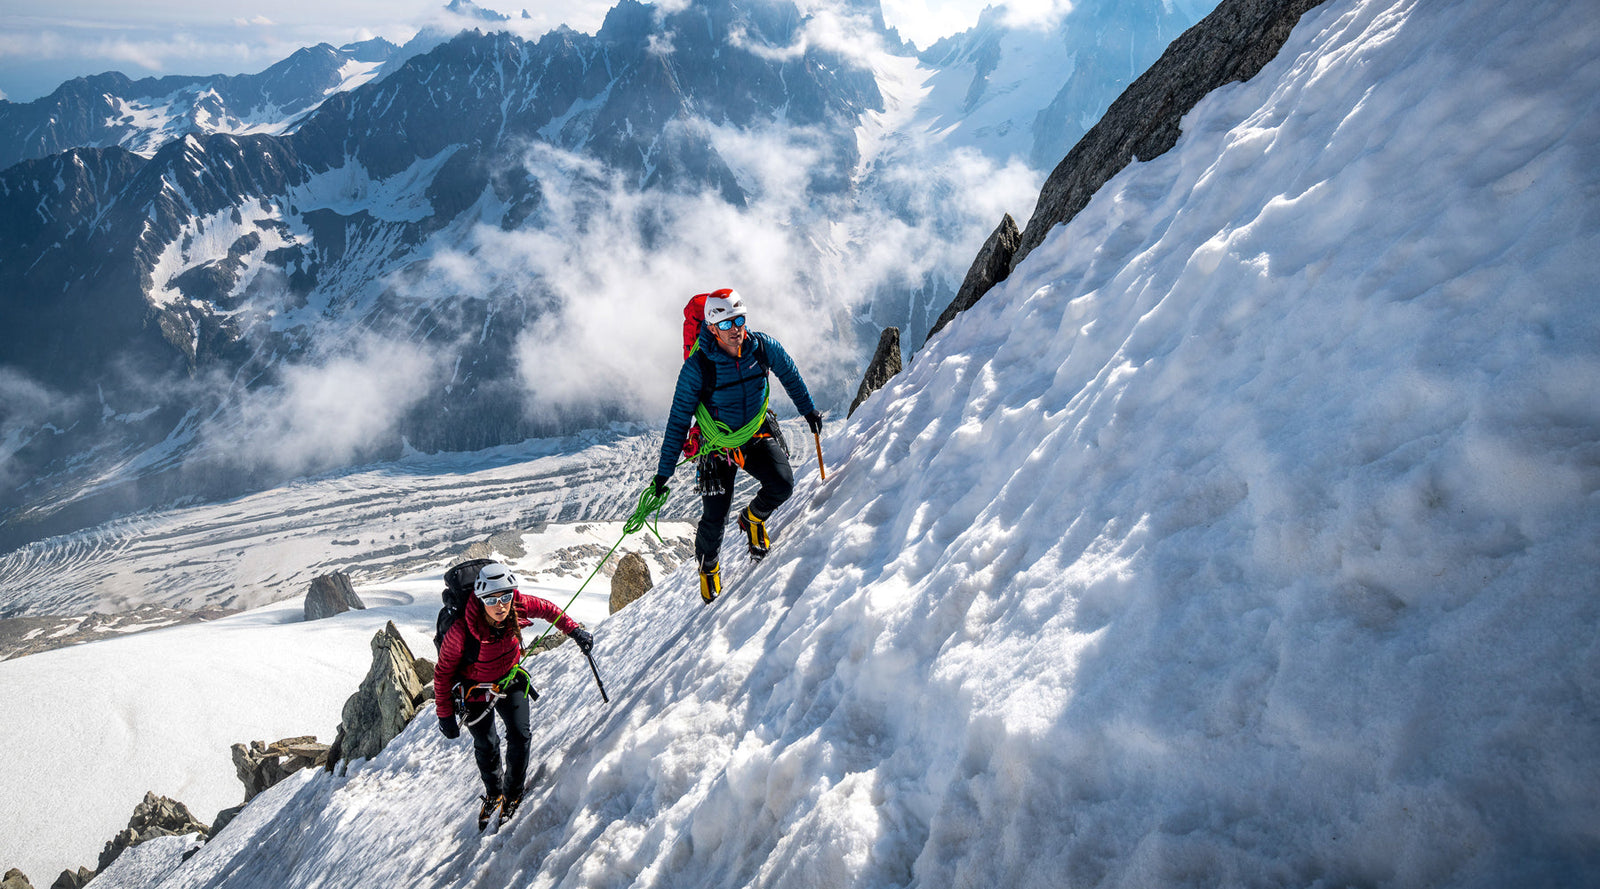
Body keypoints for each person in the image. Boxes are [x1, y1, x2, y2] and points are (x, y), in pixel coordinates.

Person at [652, 289, 822, 604]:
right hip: (716, 447)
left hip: (754, 432)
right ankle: (709, 565)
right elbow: (678, 420)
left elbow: (789, 374)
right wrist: (663, 475)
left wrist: (808, 410)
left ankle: (753, 517)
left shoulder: (762, 347)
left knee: (782, 485)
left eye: (740, 321)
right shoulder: (698, 367)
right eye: (727, 324)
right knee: (715, 518)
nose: (736, 331)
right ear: (712, 328)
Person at [434, 561, 595, 829]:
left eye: (506, 596)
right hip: (474, 690)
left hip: (510, 679)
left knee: (520, 735)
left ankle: (512, 793)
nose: (501, 605)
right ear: (480, 598)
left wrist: (574, 631)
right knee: (487, 745)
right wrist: (445, 716)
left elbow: (547, 609)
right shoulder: (460, 631)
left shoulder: (517, 605)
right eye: (492, 599)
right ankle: (494, 793)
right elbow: (442, 673)